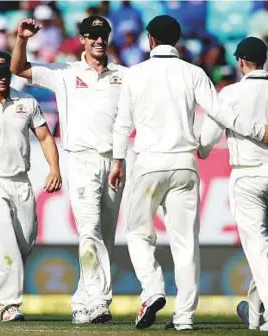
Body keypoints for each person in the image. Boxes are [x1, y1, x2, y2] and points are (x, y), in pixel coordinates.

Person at [109, 17, 268, 331]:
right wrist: (257, 131)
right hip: (185, 163)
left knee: (138, 234)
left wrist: (117, 161)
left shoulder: (135, 74)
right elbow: (219, 112)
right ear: (178, 40)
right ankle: (183, 318)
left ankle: (153, 289)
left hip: (150, 162)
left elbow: (123, 124)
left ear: (150, 39)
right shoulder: (193, 73)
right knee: (186, 244)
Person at [9, 16, 127, 324]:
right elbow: (18, 69)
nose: (99, 40)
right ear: (84, 39)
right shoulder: (65, 72)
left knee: (106, 235)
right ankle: (100, 302)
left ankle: (82, 301)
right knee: (90, 230)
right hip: (81, 159)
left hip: (115, 162)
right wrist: (21, 39)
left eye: (104, 35)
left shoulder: (123, 76)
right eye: (93, 35)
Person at [0, 50, 61, 322]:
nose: (3, 79)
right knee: (5, 242)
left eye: (6, 74)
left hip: (20, 180)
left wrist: (54, 168)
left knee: (24, 243)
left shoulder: (26, 101)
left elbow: (45, 136)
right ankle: (9, 306)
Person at [198, 36, 268, 331]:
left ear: (240, 62)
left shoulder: (230, 93)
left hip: (248, 174)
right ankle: (254, 313)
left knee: (258, 248)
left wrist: (200, 149)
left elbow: (210, 137)